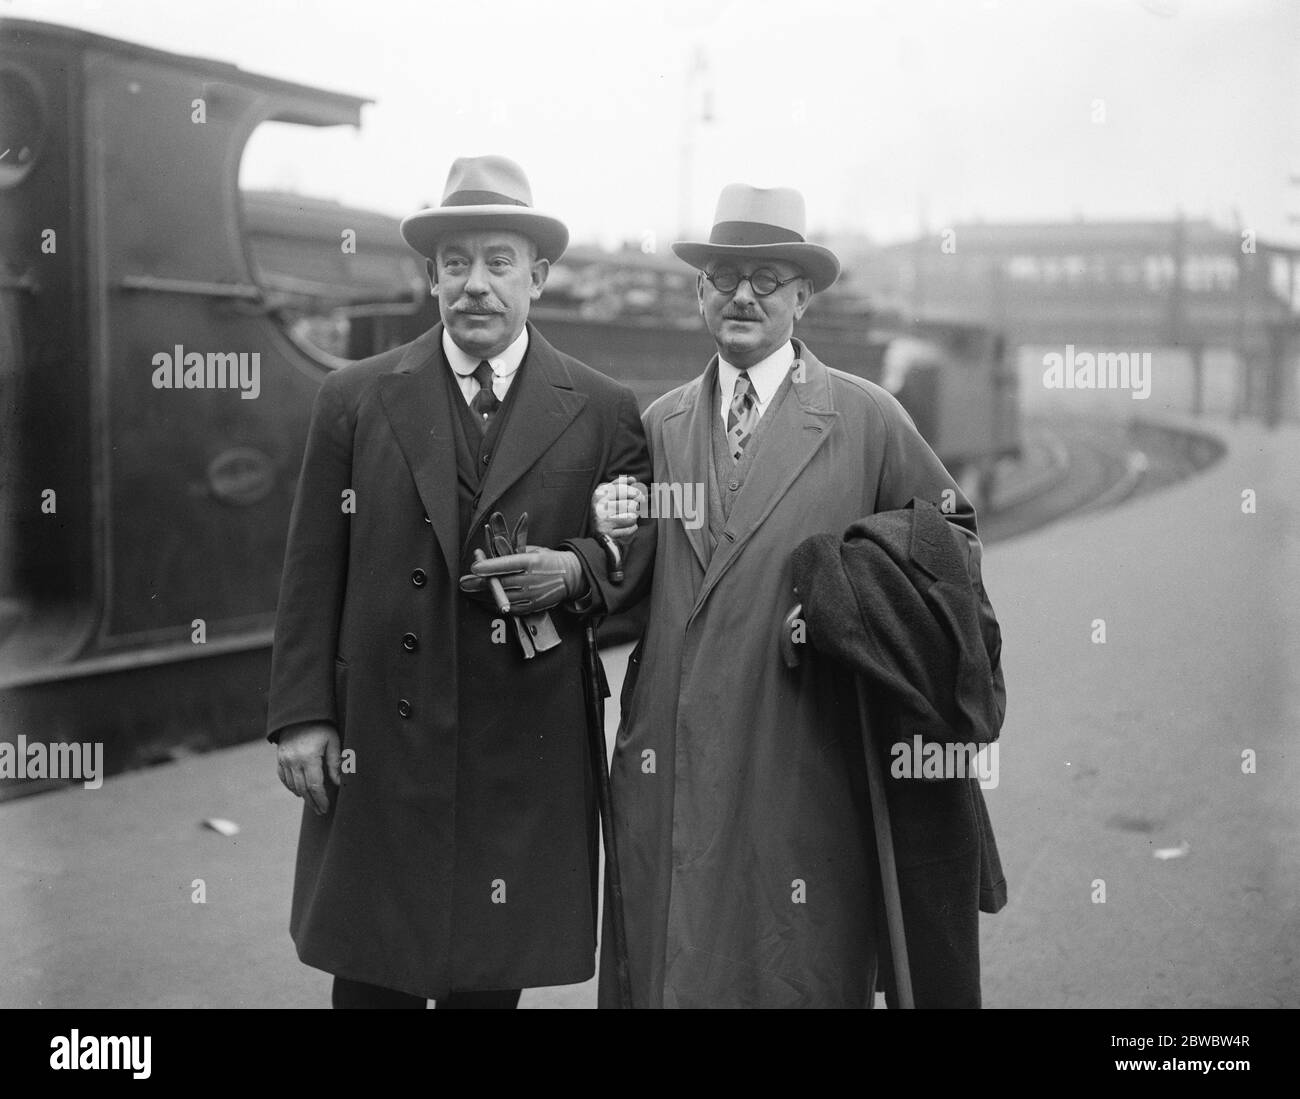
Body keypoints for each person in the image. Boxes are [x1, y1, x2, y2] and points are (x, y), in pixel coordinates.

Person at [591, 183, 1006, 1008]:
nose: (743, 294)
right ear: (700, 290)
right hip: (674, 750)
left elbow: (949, 545)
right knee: (675, 958)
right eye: (725, 276)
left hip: (802, 745)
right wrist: (607, 530)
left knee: (795, 961)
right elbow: (635, 582)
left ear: (803, 296)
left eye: (769, 277)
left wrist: (846, 594)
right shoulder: (664, 423)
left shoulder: (867, 418)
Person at [268, 155, 653, 1008]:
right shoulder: (356, 397)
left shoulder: (600, 408)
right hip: (385, 740)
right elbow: (309, 571)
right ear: (432, 278)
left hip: (519, 744)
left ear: (538, 277)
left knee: (488, 978)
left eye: (498, 262)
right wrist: (302, 717)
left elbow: (633, 557)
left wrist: (577, 569)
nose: (474, 285)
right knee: (372, 975)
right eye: (454, 264)